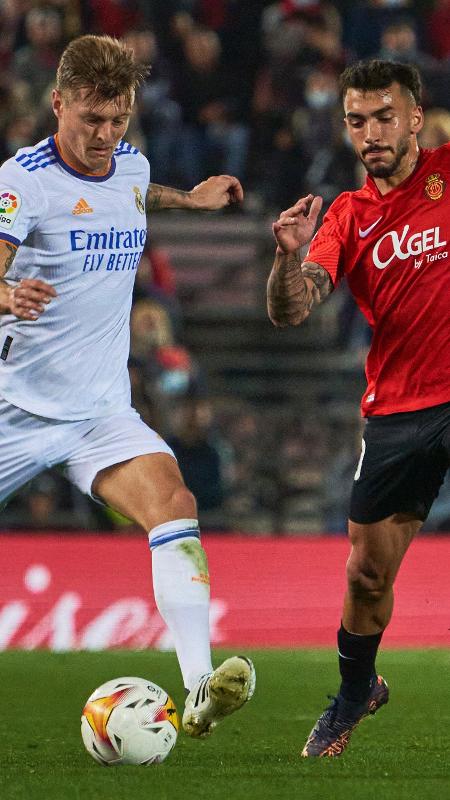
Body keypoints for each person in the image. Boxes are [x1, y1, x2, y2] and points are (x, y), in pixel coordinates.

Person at [0, 33, 255, 738]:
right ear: (58, 105)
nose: (106, 136)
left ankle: (200, 684)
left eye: (118, 120)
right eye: (91, 121)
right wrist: (6, 294)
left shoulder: (130, 165)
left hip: (99, 414)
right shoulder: (23, 180)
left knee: (174, 501)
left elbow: (134, 190)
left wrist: (193, 202)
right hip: (13, 408)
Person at [267, 58, 449, 756]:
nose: (370, 132)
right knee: (366, 574)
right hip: (399, 410)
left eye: (383, 116)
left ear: (414, 116)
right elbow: (294, 308)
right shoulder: (347, 215)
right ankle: (355, 692)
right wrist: (287, 260)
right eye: (356, 121)